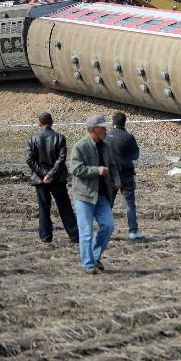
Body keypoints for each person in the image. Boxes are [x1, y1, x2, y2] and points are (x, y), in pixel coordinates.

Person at [69, 115, 120, 274]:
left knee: (108, 225)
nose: (106, 130)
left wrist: (116, 178)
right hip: (84, 196)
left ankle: (95, 255)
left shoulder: (106, 146)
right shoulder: (80, 146)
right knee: (86, 233)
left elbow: (112, 165)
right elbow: (75, 169)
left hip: (102, 195)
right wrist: (95, 170)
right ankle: (88, 265)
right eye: (102, 128)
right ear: (93, 130)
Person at [26, 112, 78, 244]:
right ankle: (74, 235)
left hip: (40, 179)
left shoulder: (33, 139)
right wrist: (50, 174)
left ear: (39, 123)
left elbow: (29, 160)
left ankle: (45, 237)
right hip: (57, 178)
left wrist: (44, 174)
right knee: (65, 207)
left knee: (44, 208)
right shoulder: (60, 137)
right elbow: (61, 160)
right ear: (52, 122)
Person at [107, 112, 145, 241]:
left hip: (110, 176)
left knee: (108, 205)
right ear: (125, 122)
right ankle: (133, 231)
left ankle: (105, 230)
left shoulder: (105, 137)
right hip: (126, 175)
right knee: (130, 204)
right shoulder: (128, 137)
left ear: (113, 122)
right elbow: (135, 156)